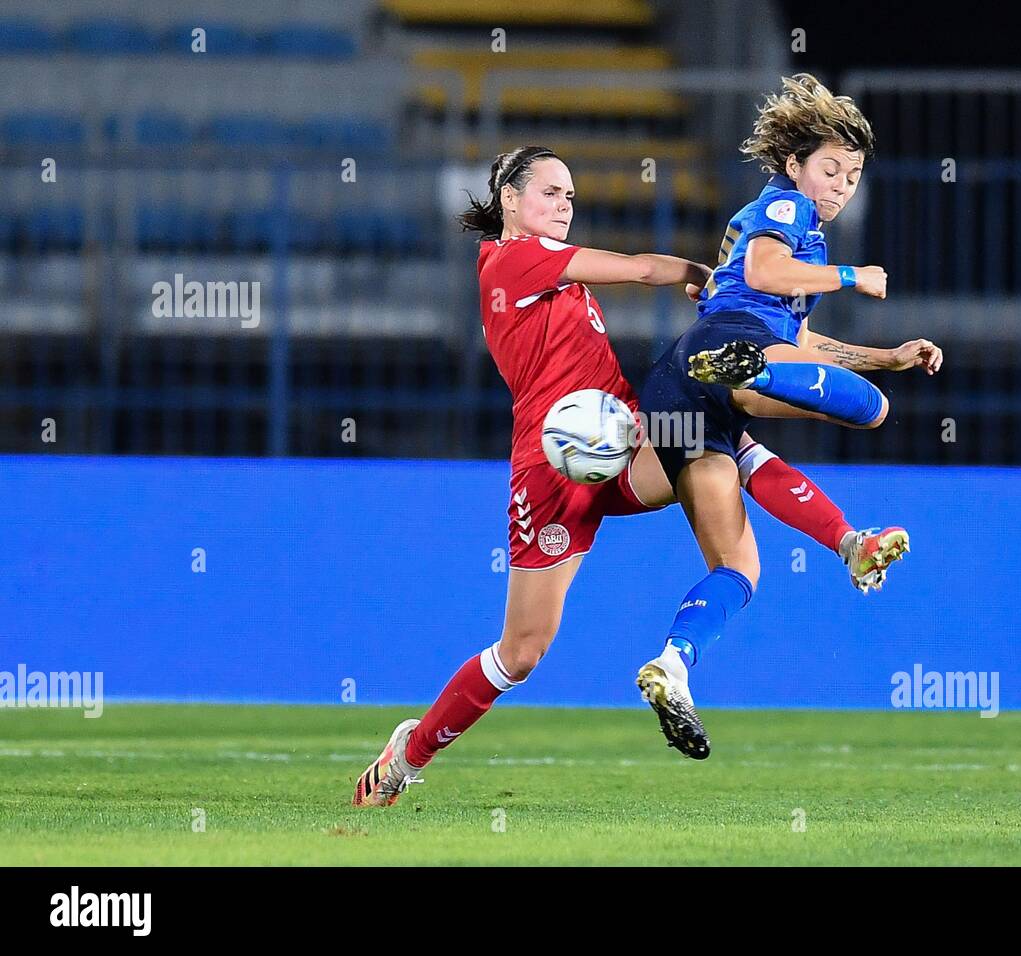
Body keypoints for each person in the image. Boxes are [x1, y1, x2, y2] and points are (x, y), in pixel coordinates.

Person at [352, 145, 918, 805]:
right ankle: (405, 756)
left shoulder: (546, 273)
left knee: (721, 442)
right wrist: (701, 273)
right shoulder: (520, 258)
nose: (565, 205)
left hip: (616, 438)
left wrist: (874, 354)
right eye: (551, 192)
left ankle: (847, 542)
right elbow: (644, 266)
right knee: (522, 652)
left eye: (570, 195)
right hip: (556, 462)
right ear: (510, 198)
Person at [634, 74, 944, 759]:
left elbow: (803, 342)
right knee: (871, 411)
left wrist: (885, 354)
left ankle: (674, 663)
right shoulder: (785, 208)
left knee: (739, 565)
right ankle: (755, 385)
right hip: (725, 352)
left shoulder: (792, 228)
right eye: (830, 168)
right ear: (794, 164)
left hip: (684, 383)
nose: (840, 186)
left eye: (854, 175)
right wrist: (850, 277)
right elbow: (769, 274)